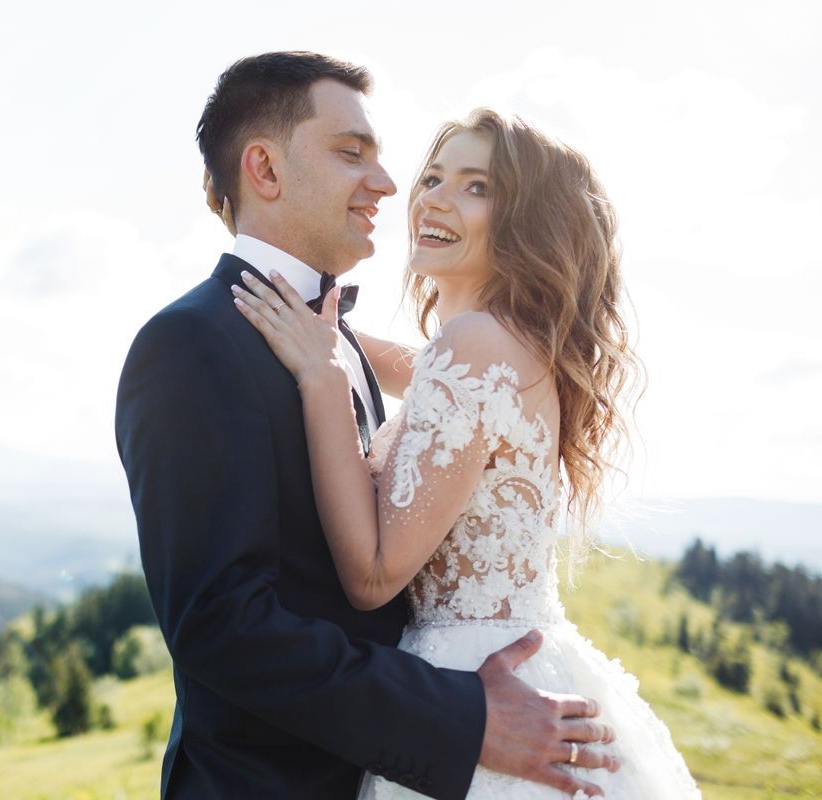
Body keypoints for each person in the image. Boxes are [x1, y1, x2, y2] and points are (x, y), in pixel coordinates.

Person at [115, 52, 616, 800]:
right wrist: (461, 720)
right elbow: (224, 626)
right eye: (353, 154)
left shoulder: (343, 342)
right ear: (265, 169)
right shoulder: (191, 344)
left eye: (473, 186)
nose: (392, 186)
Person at [229, 107, 702, 798]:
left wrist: (322, 376)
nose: (435, 199)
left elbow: (374, 574)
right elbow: (425, 372)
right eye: (434, 177)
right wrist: (333, 337)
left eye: (477, 187)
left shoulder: (475, 345)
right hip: (532, 666)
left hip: (482, 690)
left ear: (525, 223)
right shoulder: (506, 347)